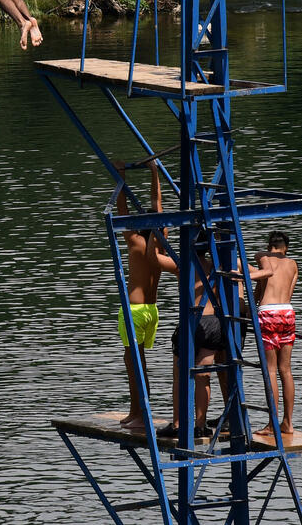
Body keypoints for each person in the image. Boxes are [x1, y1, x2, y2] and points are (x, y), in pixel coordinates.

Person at [115, 159, 178, 430]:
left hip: (134, 311)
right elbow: (158, 205)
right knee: (137, 363)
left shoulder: (136, 242)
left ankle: (141, 415)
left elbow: (121, 208)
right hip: (152, 311)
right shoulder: (158, 243)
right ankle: (135, 411)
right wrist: (155, 173)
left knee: (134, 365)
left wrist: (120, 176)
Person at [154, 231, 221, 439]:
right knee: (204, 376)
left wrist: (154, 234)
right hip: (213, 323)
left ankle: (177, 423)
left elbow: (152, 259)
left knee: (180, 376)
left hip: (191, 321)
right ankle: (200, 425)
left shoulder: (183, 265)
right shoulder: (217, 267)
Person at [249, 230, 299, 436]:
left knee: (270, 370)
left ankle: (271, 424)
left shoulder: (262, 257)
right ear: (285, 248)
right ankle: (288, 423)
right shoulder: (293, 264)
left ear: (270, 246)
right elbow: (289, 291)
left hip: (268, 313)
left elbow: (259, 292)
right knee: (285, 369)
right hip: (287, 312)